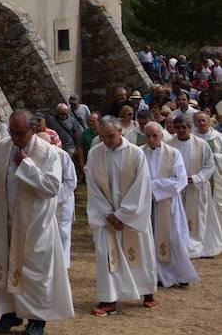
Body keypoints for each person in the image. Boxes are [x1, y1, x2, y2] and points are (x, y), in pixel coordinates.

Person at [0, 110, 73, 335]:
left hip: (35, 224)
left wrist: (27, 165)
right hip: (5, 219)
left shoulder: (49, 153)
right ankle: (11, 313)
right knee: (7, 264)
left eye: (20, 133)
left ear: (32, 129)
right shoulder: (2, 148)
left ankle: (36, 319)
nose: (15, 138)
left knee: (34, 271)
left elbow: (51, 188)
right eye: (11, 132)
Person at [86, 115, 157, 316]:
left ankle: (147, 291)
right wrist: (108, 214)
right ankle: (108, 299)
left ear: (120, 132)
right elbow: (92, 186)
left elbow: (141, 186)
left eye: (110, 136)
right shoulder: (94, 153)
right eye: (102, 137)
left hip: (132, 215)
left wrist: (122, 215)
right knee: (107, 256)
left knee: (140, 252)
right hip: (105, 216)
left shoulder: (136, 153)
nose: (106, 141)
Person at [140, 121, 199, 288]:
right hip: (147, 204)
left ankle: (180, 275)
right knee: (152, 239)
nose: (151, 139)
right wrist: (147, 188)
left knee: (173, 238)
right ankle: (158, 274)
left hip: (169, 204)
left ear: (161, 135)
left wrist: (152, 186)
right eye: (148, 136)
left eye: (155, 136)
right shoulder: (139, 153)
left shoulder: (173, 153)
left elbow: (180, 180)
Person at [168, 116, 222, 258]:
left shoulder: (201, 144)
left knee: (200, 217)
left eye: (184, 127)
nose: (181, 130)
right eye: (178, 127)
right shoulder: (169, 145)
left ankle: (201, 248)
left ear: (190, 128)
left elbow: (209, 165)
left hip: (197, 187)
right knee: (179, 218)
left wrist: (195, 178)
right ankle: (183, 247)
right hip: (178, 189)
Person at [35, 132, 77, 269]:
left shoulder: (61, 155)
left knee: (63, 232)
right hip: (43, 200)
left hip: (62, 199)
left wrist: (56, 196)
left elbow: (71, 180)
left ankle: (63, 265)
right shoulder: (34, 155)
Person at [195, 111, 222, 223]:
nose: (201, 123)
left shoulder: (218, 137)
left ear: (208, 122)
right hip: (198, 176)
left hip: (217, 177)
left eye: (203, 120)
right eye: (198, 121)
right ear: (194, 123)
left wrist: (214, 157)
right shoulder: (192, 138)